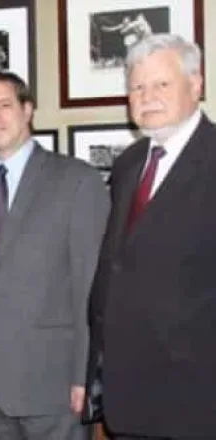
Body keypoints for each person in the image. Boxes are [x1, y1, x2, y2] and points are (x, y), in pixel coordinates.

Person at [0, 70, 109, 440]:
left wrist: (85, 375)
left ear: (28, 109)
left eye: (4, 105)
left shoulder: (77, 181)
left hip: (53, 388)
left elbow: (91, 290)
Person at [86, 34, 216, 439]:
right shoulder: (129, 163)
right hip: (129, 395)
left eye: (161, 84)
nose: (147, 97)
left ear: (196, 84)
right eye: (137, 87)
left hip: (197, 398)